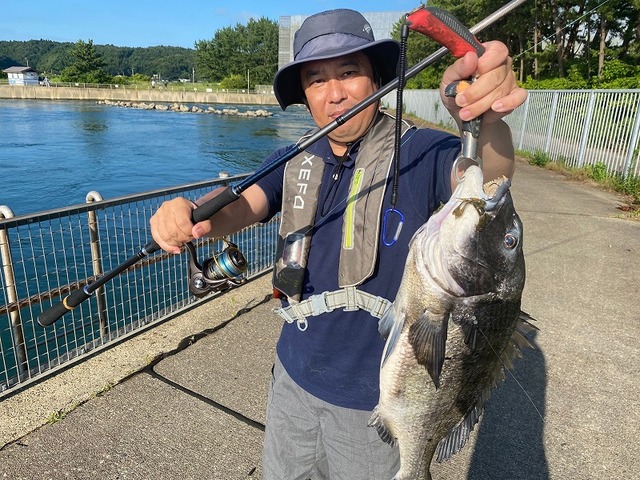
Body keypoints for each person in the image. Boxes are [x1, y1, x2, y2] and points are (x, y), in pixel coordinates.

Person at [149, 8, 527, 479]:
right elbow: (241, 206)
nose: (335, 94)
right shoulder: (293, 158)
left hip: (376, 401)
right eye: (316, 80)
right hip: (292, 379)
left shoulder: (422, 152)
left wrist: (484, 120)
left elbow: (488, 181)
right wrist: (188, 211)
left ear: (376, 80)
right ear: (304, 95)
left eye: (349, 73)